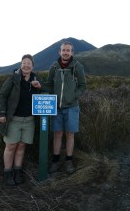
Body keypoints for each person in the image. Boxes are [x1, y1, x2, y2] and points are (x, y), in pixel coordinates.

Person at [0, 54, 42, 186]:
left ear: (33, 66)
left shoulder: (36, 78)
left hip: (29, 120)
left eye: (29, 63)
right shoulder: (13, 78)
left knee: (21, 146)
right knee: (10, 146)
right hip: (13, 119)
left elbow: (45, 91)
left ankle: (17, 171)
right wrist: (1, 113)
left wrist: (39, 87)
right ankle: (8, 173)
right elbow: (2, 96)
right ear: (21, 65)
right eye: (24, 63)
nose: (26, 65)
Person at [46, 41, 87, 174]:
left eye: (68, 50)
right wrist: (39, 86)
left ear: (72, 52)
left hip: (72, 107)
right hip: (56, 107)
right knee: (57, 134)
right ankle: (55, 161)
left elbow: (82, 85)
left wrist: (74, 96)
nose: (65, 52)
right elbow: (49, 85)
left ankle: (69, 161)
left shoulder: (77, 66)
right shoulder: (54, 66)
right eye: (63, 50)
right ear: (59, 51)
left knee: (70, 134)